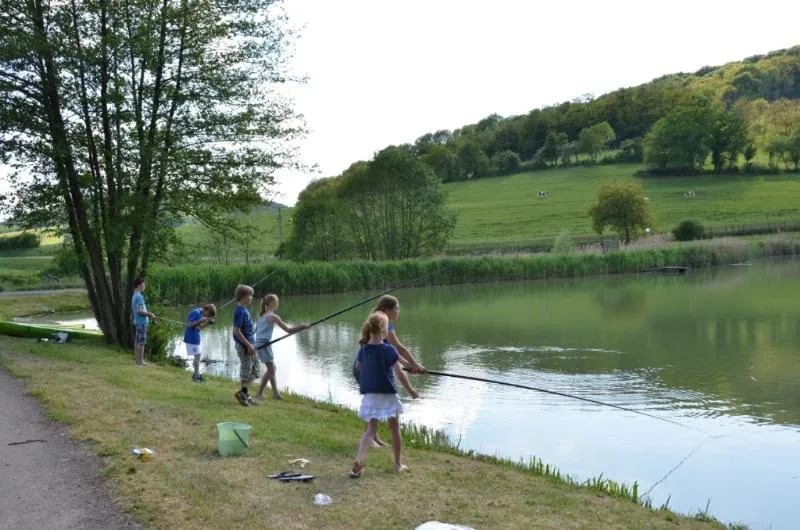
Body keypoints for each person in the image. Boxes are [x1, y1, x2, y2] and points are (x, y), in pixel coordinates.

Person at [349, 311, 419, 478]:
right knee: (394, 428)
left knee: (369, 431)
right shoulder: (389, 349)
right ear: (383, 330)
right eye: (387, 326)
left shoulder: (363, 349)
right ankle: (397, 464)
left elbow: (358, 368)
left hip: (370, 395)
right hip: (387, 394)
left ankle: (359, 460)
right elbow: (400, 374)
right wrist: (411, 390)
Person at [353, 295, 426, 447]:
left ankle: (374, 437)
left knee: (374, 400)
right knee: (375, 399)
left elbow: (391, 353)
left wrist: (410, 365)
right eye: (396, 309)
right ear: (387, 310)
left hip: (365, 366)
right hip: (367, 367)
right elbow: (399, 348)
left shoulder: (376, 320)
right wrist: (416, 365)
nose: (398, 312)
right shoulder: (385, 324)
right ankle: (370, 438)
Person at [254, 294, 310, 400]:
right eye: (277, 302)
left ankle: (260, 392)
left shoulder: (261, 316)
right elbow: (288, 330)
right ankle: (275, 394)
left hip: (261, 345)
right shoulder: (273, 317)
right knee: (271, 369)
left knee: (272, 368)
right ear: (271, 303)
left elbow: (257, 332)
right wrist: (302, 327)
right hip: (263, 345)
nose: (278, 304)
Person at [232, 284, 259, 406]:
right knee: (246, 370)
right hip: (245, 346)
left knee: (256, 369)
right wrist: (248, 345)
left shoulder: (245, 310)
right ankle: (244, 395)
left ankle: (243, 393)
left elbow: (246, 329)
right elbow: (236, 331)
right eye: (250, 296)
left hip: (251, 344)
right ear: (244, 296)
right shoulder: (239, 311)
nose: (252, 298)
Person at [184, 304, 217, 382]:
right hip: (192, 337)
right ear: (207, 310)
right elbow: (189, 325)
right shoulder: (197, 313)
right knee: (197, 356)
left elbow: (200, 327)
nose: (207, 316)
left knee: (197, 356)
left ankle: (196, 375)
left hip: (195, 336)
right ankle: (196, 377)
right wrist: (201, 320)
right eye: (209, 315)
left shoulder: (200, 313)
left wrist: (208, 323)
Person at [131, 278, 157, 366]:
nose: (144, 286)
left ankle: (138, 361)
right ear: (138, 285)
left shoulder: (135, 295)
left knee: (137, 341)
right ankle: (140, 361)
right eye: (143, 284)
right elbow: (139, 311)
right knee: (141, 342)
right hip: (141, 322)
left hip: (138, 322)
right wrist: (150, 314)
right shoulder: (139, 296)